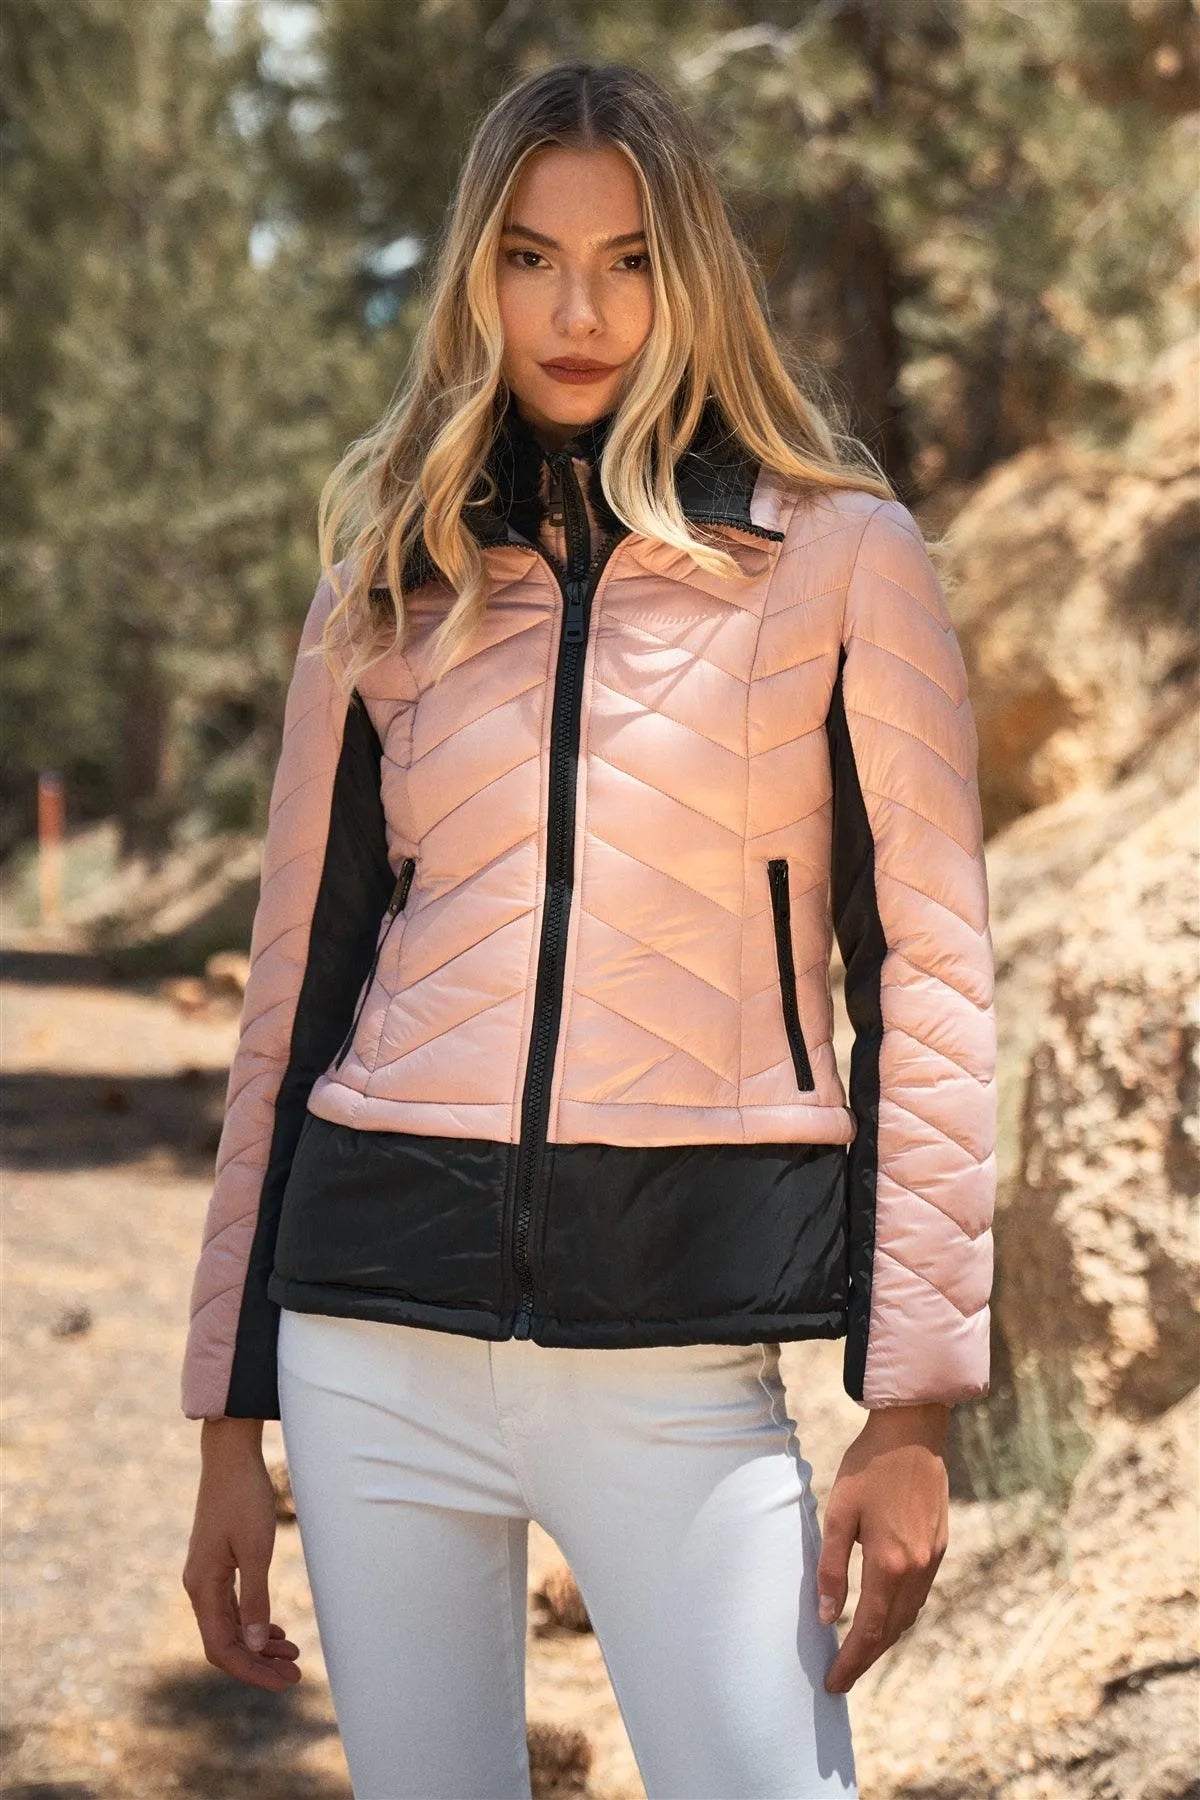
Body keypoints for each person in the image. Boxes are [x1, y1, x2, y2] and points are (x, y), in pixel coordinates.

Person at [180, 57, 996, 1800]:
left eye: (628, 261)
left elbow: (927, 975)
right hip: (373, 1341)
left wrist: (913, 1407)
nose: (580, 312)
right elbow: (297, 998)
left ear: (690, 275)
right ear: (474, 276)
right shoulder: (390, 578)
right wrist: (228, 1421)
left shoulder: (840, 559)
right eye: (532, 259)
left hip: (681, 1352)